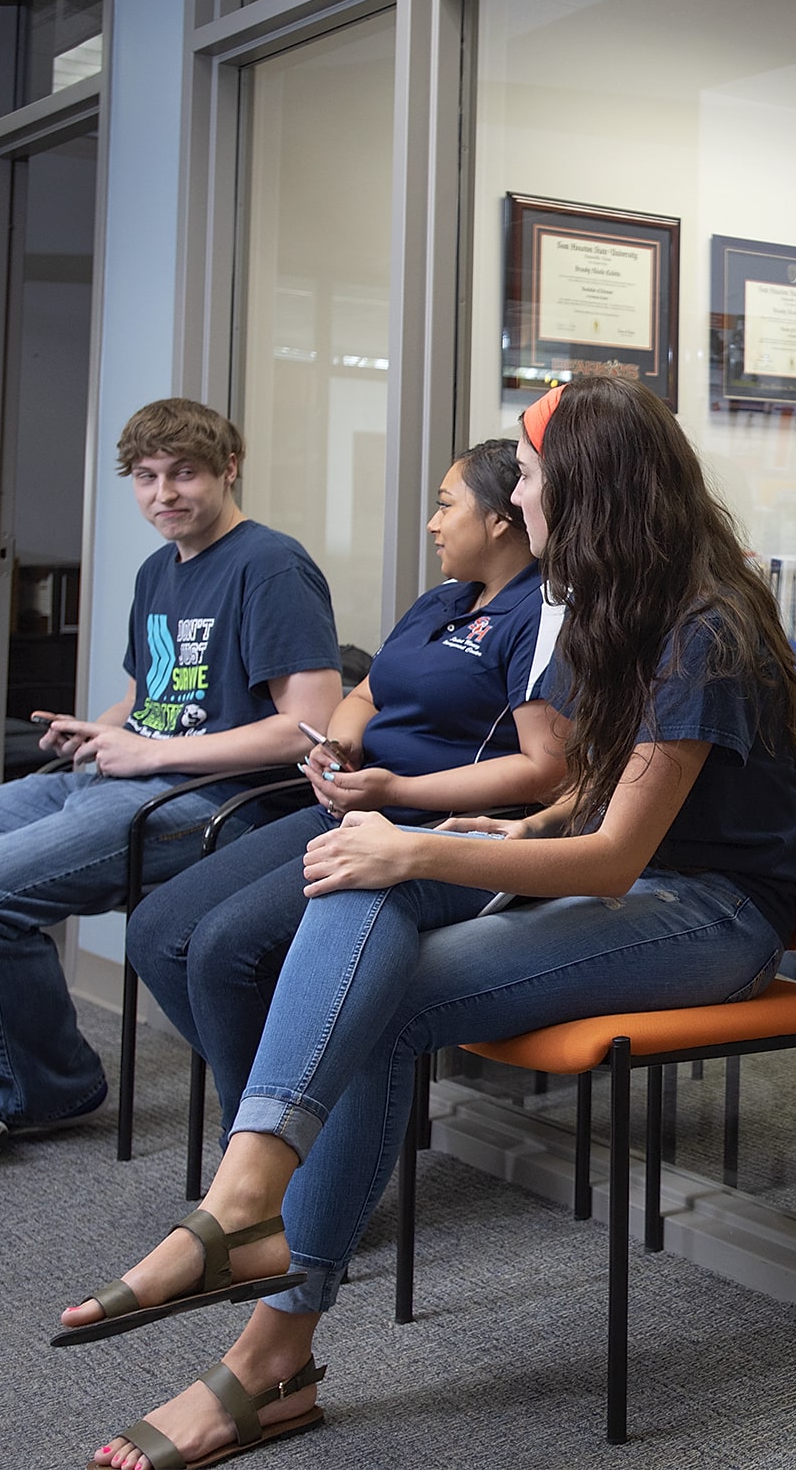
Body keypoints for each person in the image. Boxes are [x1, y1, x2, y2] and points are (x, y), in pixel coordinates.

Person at [58, 375, 796, 1470]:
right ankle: (254, 1240)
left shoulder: (702, 628)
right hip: (627, 881)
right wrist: (484, 828)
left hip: (709, 915)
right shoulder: (620, 600)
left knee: (380, 945)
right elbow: (591, 793)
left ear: (586, 489)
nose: (523, 487)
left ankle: (264, 1299)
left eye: (535, 469)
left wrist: (422, 842)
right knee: (367, 905)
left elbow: (616, 859)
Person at [0, 399, 343, 1194]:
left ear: (229, 468)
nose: (164, 495)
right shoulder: (161, 569)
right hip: (116, 776)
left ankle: (47, 1090)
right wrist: (97, 731)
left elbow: (307, 730)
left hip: (207, 807)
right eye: (147, 478)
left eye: (184, 474)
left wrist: (148, 750)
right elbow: (146, 696)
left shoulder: (271, 565)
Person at [126, 440, 566, 1134]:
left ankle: (269, 1159)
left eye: (447, 505)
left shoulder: (539, 617)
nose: (433, 523)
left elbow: (546, 769)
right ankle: (271, 1135)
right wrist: (342, 741)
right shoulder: (440, 601)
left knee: (222, 952)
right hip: (358, 808)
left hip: (437, 831)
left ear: (500, 521)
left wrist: (396, 788)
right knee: (157, 933)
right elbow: (365, 691)